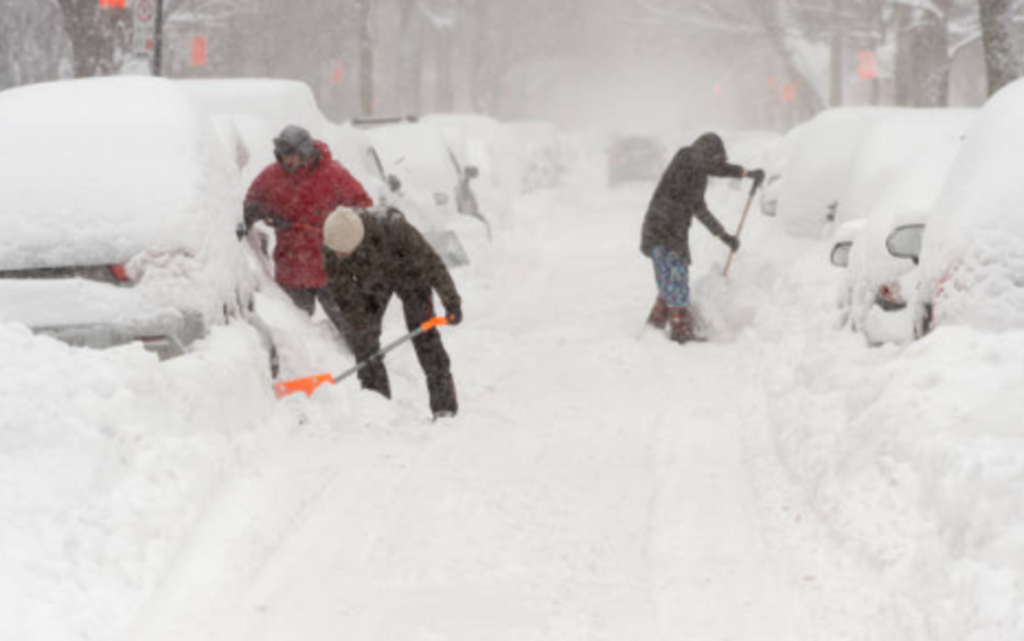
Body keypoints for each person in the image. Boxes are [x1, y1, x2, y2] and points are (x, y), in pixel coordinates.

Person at [321, 206, 463, 419]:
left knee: (424, 335)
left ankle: (444, 406)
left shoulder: (394, 229)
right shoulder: (333, 246)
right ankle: (375, 404)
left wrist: (451, 301)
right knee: (364, 342)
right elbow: (343, 293)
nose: (338, 255)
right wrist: (363, 330)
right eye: (336, 252)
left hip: (411, 275)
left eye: (343, 251)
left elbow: (432, 263)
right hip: (374, 282)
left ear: (357, 240)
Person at [242, 124, 373, 334]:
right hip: (292, 270)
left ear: (305, 151)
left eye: (291, 155)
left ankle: (367, 361)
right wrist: (255, 213)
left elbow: (362, 207)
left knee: (354, 332)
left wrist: (342, 227)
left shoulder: (333, 174)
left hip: (331, 268)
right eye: (282, 155)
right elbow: (250, 205)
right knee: (297, 336)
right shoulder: (271, 177)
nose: (287, 161)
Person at [640, 132, 764, 343]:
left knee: (669, 280)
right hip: (666, 230)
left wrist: (724, 236)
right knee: (677, 279)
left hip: (659, 230)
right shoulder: (688, 157)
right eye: (715, 159)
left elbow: (700, 205)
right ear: (707, 152)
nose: (715, 165)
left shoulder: (693, 169)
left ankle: (655, 324)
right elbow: (708, 177)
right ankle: (680, 331)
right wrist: (744, 173)